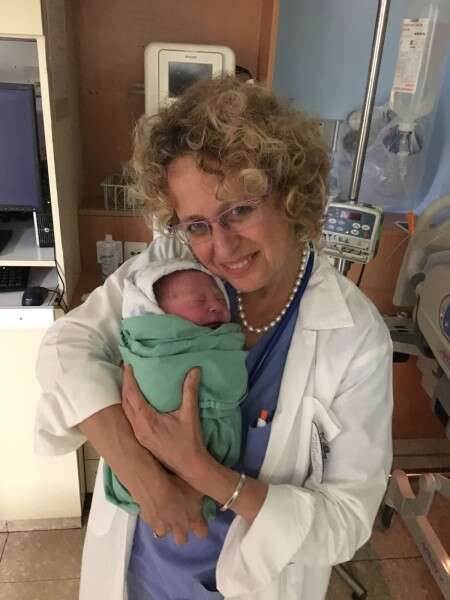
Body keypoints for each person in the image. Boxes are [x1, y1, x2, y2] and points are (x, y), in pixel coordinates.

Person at [34, 76, 393, 600]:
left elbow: (346, 520)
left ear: (291, 194)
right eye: (197, 225)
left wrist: (201, 471)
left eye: (240, 211)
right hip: (139, 575)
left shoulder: (355, 336)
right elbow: (64, 346)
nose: (222, 248)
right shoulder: (171, 270)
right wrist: (143, 474)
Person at [104, 261, 247, 522]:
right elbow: (66, 349)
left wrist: (196, 469)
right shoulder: (152, 339)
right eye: (199, 300)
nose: (215, 306)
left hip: (231, 504)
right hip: (145, 479)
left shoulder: (222, 337)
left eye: (219, 298)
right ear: (157, 313)